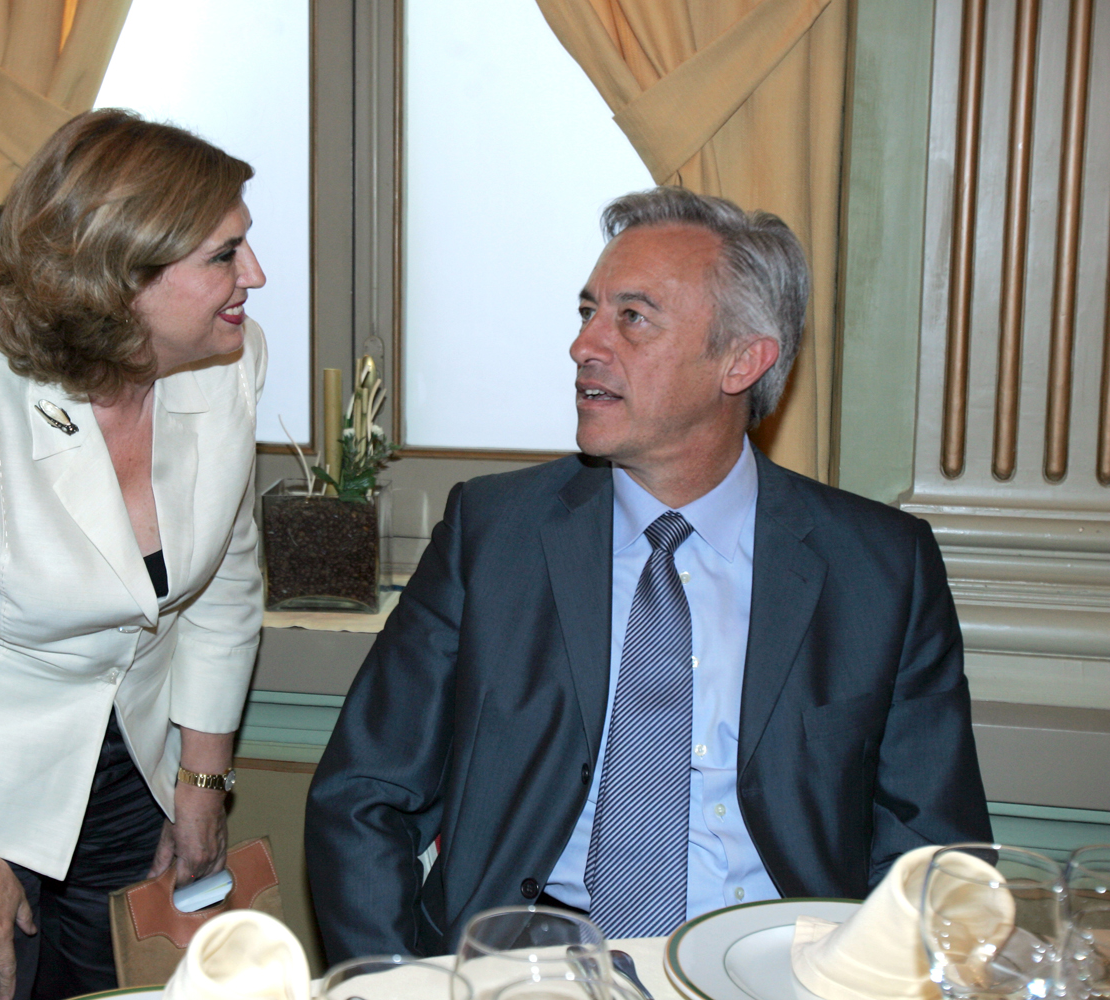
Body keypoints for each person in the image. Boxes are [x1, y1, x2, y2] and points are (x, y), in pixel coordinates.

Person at [305, 187, 991, 961]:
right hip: (526, 965)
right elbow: (363, 794)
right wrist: (391, 983)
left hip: (776, 964)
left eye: (632, 317)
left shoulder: (879, 567)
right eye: (586, 312)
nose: (584, 345)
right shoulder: (492, 534)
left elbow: (932, 850)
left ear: (741, 360)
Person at [0, 110, 267, 1000]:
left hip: (136, 764)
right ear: (122, 277)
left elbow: (224, 586)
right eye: (224, 255)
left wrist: (200, 782)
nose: (254, 276)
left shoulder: (229, 362)